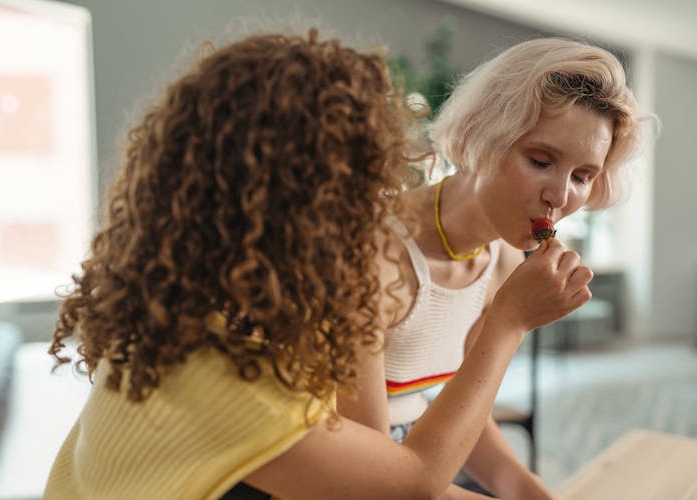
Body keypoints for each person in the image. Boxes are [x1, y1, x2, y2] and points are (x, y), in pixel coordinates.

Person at [43, 29, 594, 500]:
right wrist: (509, 322)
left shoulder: (215, 328)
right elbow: (408, 483)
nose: (373, 213)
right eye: (352, 192)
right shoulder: (225, 381)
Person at [337, 37, 652, 499]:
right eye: (541, 161)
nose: (561, 196)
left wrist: (525, 488)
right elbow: (370, 482)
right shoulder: (372, 253)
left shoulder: (501, 257)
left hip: (419, 456)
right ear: (480, 134)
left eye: (583, 176)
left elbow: (464, 405)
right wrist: (511, 320)